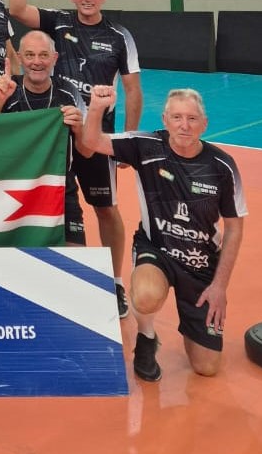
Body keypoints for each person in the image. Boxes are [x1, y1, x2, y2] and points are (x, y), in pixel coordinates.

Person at [9, 0, 143, 318]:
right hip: (56, 136)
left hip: (97, 137)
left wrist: (127, 141)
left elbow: (133, 90)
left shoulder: (119, 36)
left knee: (106, 209)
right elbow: (17, 8)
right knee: (51, 203)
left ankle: (115, 282)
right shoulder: (59, 21)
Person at [83, 86, 246, 382]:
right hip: (156, 249)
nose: (184, 125)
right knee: (145, 296)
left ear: (205, 124)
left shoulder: (222, 166)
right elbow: (91, 141)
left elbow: (234, 228)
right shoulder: (145, 145)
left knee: (207, 366)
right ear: (165, 119)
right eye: (177, 117)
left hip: (200, 263)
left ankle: (194, 327)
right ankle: (146, 337)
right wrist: (96, 107)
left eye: (192, 119)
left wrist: (219, 286)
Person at [0, 30, 92, 246]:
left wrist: (79, 128)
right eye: (30, 55)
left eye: (44, 55)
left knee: (75, 256)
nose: (37, 62)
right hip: (12, 187)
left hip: (59, 188)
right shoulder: (6, 89)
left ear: (54, 58)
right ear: (19, 57)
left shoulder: (68, 92)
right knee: (5, 253)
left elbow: (87, 151)